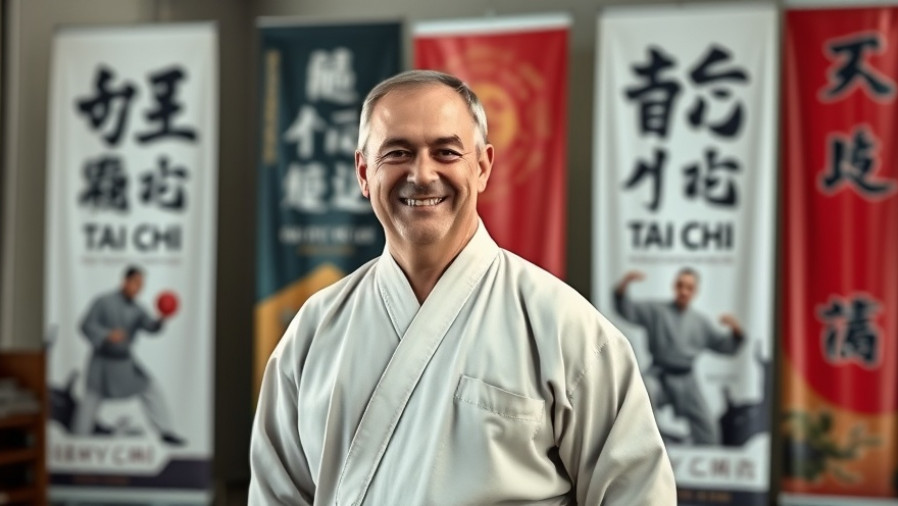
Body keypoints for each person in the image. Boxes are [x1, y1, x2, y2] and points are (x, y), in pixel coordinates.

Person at [249, 70, 675, 504]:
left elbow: (638, 493)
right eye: (397, 152)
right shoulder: (314, 331)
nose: (422, 174)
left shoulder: (563, 325)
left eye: (446, 152)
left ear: (483, 166)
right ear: (363, 172)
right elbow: (273, 495)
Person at [613, 268, 744, 445]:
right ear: (674, 287)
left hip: (686, 380)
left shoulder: (700, 322)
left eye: (689, 287)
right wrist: (624, 285)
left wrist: (736, 332)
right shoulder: (657, 311)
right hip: (659, 376)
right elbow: (627, 309)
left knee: (708, 430)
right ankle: (648, 446)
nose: (684, 291)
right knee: (644, 390)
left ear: (695, 292)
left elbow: (724, 346)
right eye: (680, 285)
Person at [74, 266, 184, 446]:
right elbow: (85, 325)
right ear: (125, 281)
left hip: (124, 364)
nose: (138, 288)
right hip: (102, 363)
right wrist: (106, 335)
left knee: (150, 387)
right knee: (91, 398)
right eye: (136, 283)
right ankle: (78, 438)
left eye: (141, 285)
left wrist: (161, 319)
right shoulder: (103, 302)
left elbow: (150, 327)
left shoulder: (137, 309)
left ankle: (166, 431)